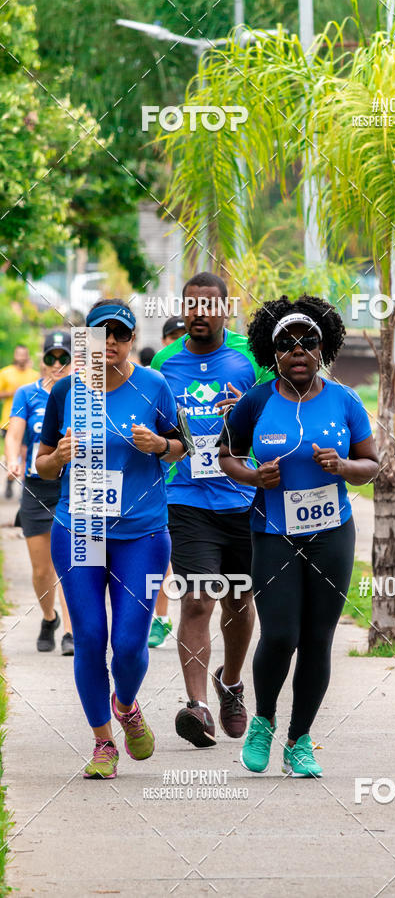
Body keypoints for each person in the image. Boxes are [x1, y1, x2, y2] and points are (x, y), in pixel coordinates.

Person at [218, 295, 378, 777]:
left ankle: (299, 738)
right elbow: (225, 454)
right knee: (281, 633)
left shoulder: (345, 400)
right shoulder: (258, 400)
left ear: (323, 347)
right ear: (274, 355)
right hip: (273, 532)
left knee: (317, 640)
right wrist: (253, 478)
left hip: (332, 534)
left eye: (308, 342)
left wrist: (344, 466)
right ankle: (264, 719)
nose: (298, 351)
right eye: (286, 344)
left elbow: (372, 464)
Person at [36, 299, 186, 780]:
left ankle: (126, 705)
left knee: (126, 643)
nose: (112, 345)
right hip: (79, 529)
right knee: (90, 638)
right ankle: (103, 742)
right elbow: (40, 463)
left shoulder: (154, 386)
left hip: (141, 534)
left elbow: (182, 446)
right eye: (102, 336)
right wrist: (57, 457)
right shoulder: (66, 393)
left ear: (129, 340)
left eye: (121, 336)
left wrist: (160, 446)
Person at [151, 273, 272, 748]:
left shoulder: (248, 358)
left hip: (242, 497)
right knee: (198, 599)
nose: (199, 313)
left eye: (208, 305)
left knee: (239, 601)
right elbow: (160, 427)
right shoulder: (165, 361)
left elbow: (274, 411)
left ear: (225, 309)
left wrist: (246, 409)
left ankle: (232, 682)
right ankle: (197, 706)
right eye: (191, 305)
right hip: (187, 498)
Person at [6, 333, 74, 654]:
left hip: (71, 487)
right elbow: (15, 431)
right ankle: (49, 618)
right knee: (41, 569)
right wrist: (12, 461)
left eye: (63, 358)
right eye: (51, 358)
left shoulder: (83, 394)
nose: (57, 365)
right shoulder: (26, 393)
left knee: (73, 564)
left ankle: (71, 633)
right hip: (36, 487)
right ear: (42, 359)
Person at [148, 317, 186, 649]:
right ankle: (160, 617)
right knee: (164, 556)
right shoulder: (152, 380)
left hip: (197, 482)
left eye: (182, 336)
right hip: (162, 483)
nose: (177, 342)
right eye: (171, 337)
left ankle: (169, 616)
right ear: (163, 343)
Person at [0, 345, 38, 498]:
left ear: (27, 356)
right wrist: (11, 393)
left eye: (24, 354)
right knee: (11, 453)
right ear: (15, 355)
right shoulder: (5, 373)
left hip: (29, 422)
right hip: (8, 421)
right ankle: (9, 482)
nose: (21, 357)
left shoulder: (34, 375)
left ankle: (25, 486)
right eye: (19, 354)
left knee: (26, 453)